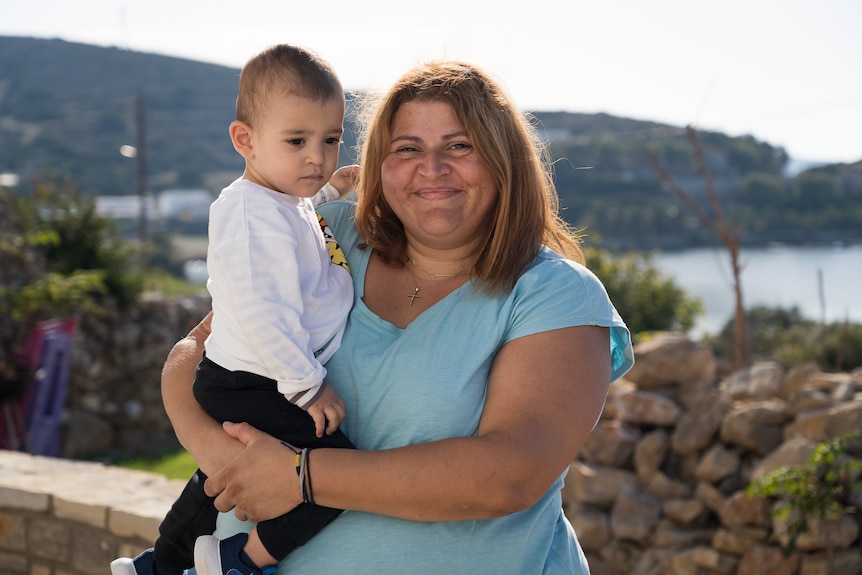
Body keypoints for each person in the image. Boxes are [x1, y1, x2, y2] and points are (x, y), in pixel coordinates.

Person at [160, 60, 635, 574]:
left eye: (460, 146)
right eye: (407, 148)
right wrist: (218, 454)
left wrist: (300, 477)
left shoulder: (554, 294)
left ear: (504, 160)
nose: (432, 168)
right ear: (378, 164)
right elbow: (201, 348)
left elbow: (508, 476)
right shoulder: (327, 232)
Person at [111, 44, 359, 575]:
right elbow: (264, 311)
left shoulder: (281, 201)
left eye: (331, 139)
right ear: (245, 140)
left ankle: (159, 564)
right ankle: (242, 560)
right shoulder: (249, 214)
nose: (317, 156)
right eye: (297, 141)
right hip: (258, 378)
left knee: (219, 477)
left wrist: (331, 190)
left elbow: (300, 220)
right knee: (335, 474)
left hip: (245, 376)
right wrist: (306, 385)